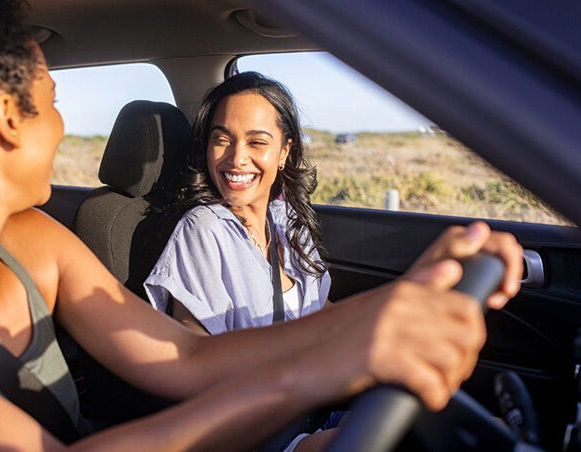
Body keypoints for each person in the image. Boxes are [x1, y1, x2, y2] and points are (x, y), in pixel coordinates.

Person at [0, 1, 522, 451]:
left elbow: (184, 361)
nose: (62, 125)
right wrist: (314, 372)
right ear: (3, 115)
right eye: (52, 100)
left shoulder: (32, 241)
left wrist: (400, 301)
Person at [143, 72, 524, 450]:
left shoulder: (286, 218)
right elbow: (193, 363)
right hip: (261, 432)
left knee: (481, 431)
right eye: (221, 139)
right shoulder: (203, 228)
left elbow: (322, 313)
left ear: (284, 152)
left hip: (316, 408)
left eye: (256, 141)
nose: (236, 158)